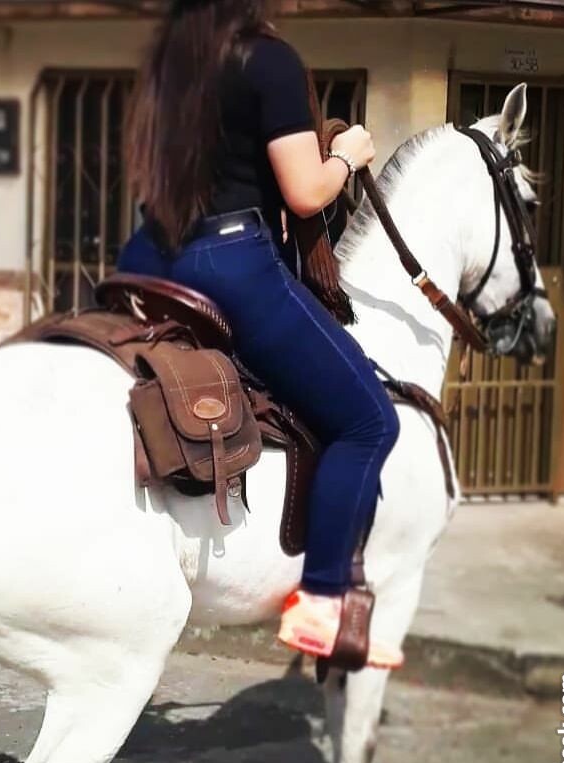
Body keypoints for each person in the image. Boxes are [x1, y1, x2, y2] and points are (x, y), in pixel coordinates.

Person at [118, 0, 403, 669]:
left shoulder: (171, 63)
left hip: (147, 256)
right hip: (229, 264)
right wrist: (346, 156)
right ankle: (321, 605)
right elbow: (305, 192)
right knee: (370, 422)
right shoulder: (267, 60)